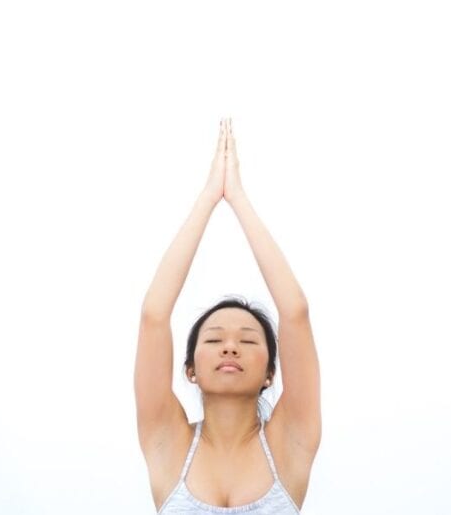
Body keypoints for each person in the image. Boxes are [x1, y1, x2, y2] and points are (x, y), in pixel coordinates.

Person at [136, 118, 321, 513]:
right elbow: (154, 314)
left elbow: (296, 313)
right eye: (215, 339)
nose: (231, 347)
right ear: (190, 369)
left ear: (271, 371)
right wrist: (208, 196)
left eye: (249, 340)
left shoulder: (291, 442)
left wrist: (237, 197)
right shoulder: (167, 441)